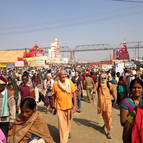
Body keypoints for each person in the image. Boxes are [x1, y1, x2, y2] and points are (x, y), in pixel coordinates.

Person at [51, 69, 77, 143]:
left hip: (69, 107)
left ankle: (66, 133)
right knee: (62, 127)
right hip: (60, 108)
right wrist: (53, 107)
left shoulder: (69, 82)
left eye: (65, 74)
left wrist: (75, 106)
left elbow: (74, 93)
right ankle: (63, 141)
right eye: (62, 74)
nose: (64, 76)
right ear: (59, 76)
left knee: (68, 125)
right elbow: (53, 96)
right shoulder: (55, 84)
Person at [92, 72, 116, 139]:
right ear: (99, 78)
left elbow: (113, 92)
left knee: (108, 116)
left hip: (108, 102)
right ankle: (105, 124)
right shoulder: (98, 84)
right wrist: (93, 99)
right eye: (102, 78)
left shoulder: (109, 84)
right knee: (104, 115)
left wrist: (115, 98)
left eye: (104, 78)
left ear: (106, 78)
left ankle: (108, 131)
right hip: (101, 103)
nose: (103, 79)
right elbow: (94, 92)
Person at [121, 78, 143, 143]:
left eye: (139, 88)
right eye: (134, 88)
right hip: (131, 134)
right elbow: (123, 122)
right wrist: (134, 114)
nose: (136, 90)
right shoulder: (126, 102)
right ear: (130, 89)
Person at [0, 76, 16, 140]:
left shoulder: (9, 94)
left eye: (1, 85)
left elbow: (12, 108)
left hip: (5, 121)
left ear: (4, 85)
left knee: (3, 137)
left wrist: (12, 121)